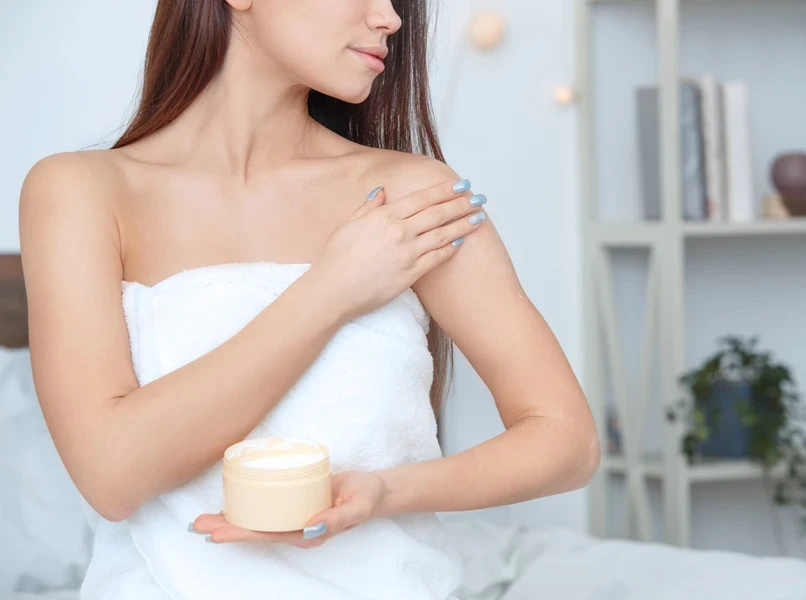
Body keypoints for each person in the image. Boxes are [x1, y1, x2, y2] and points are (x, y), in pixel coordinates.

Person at [18, 0, 600, 598]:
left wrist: (385, 491)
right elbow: (111, 475)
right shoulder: (81, 193)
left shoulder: (412, 199)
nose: (391, 19)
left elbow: (566, 440)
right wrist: (333, 289)